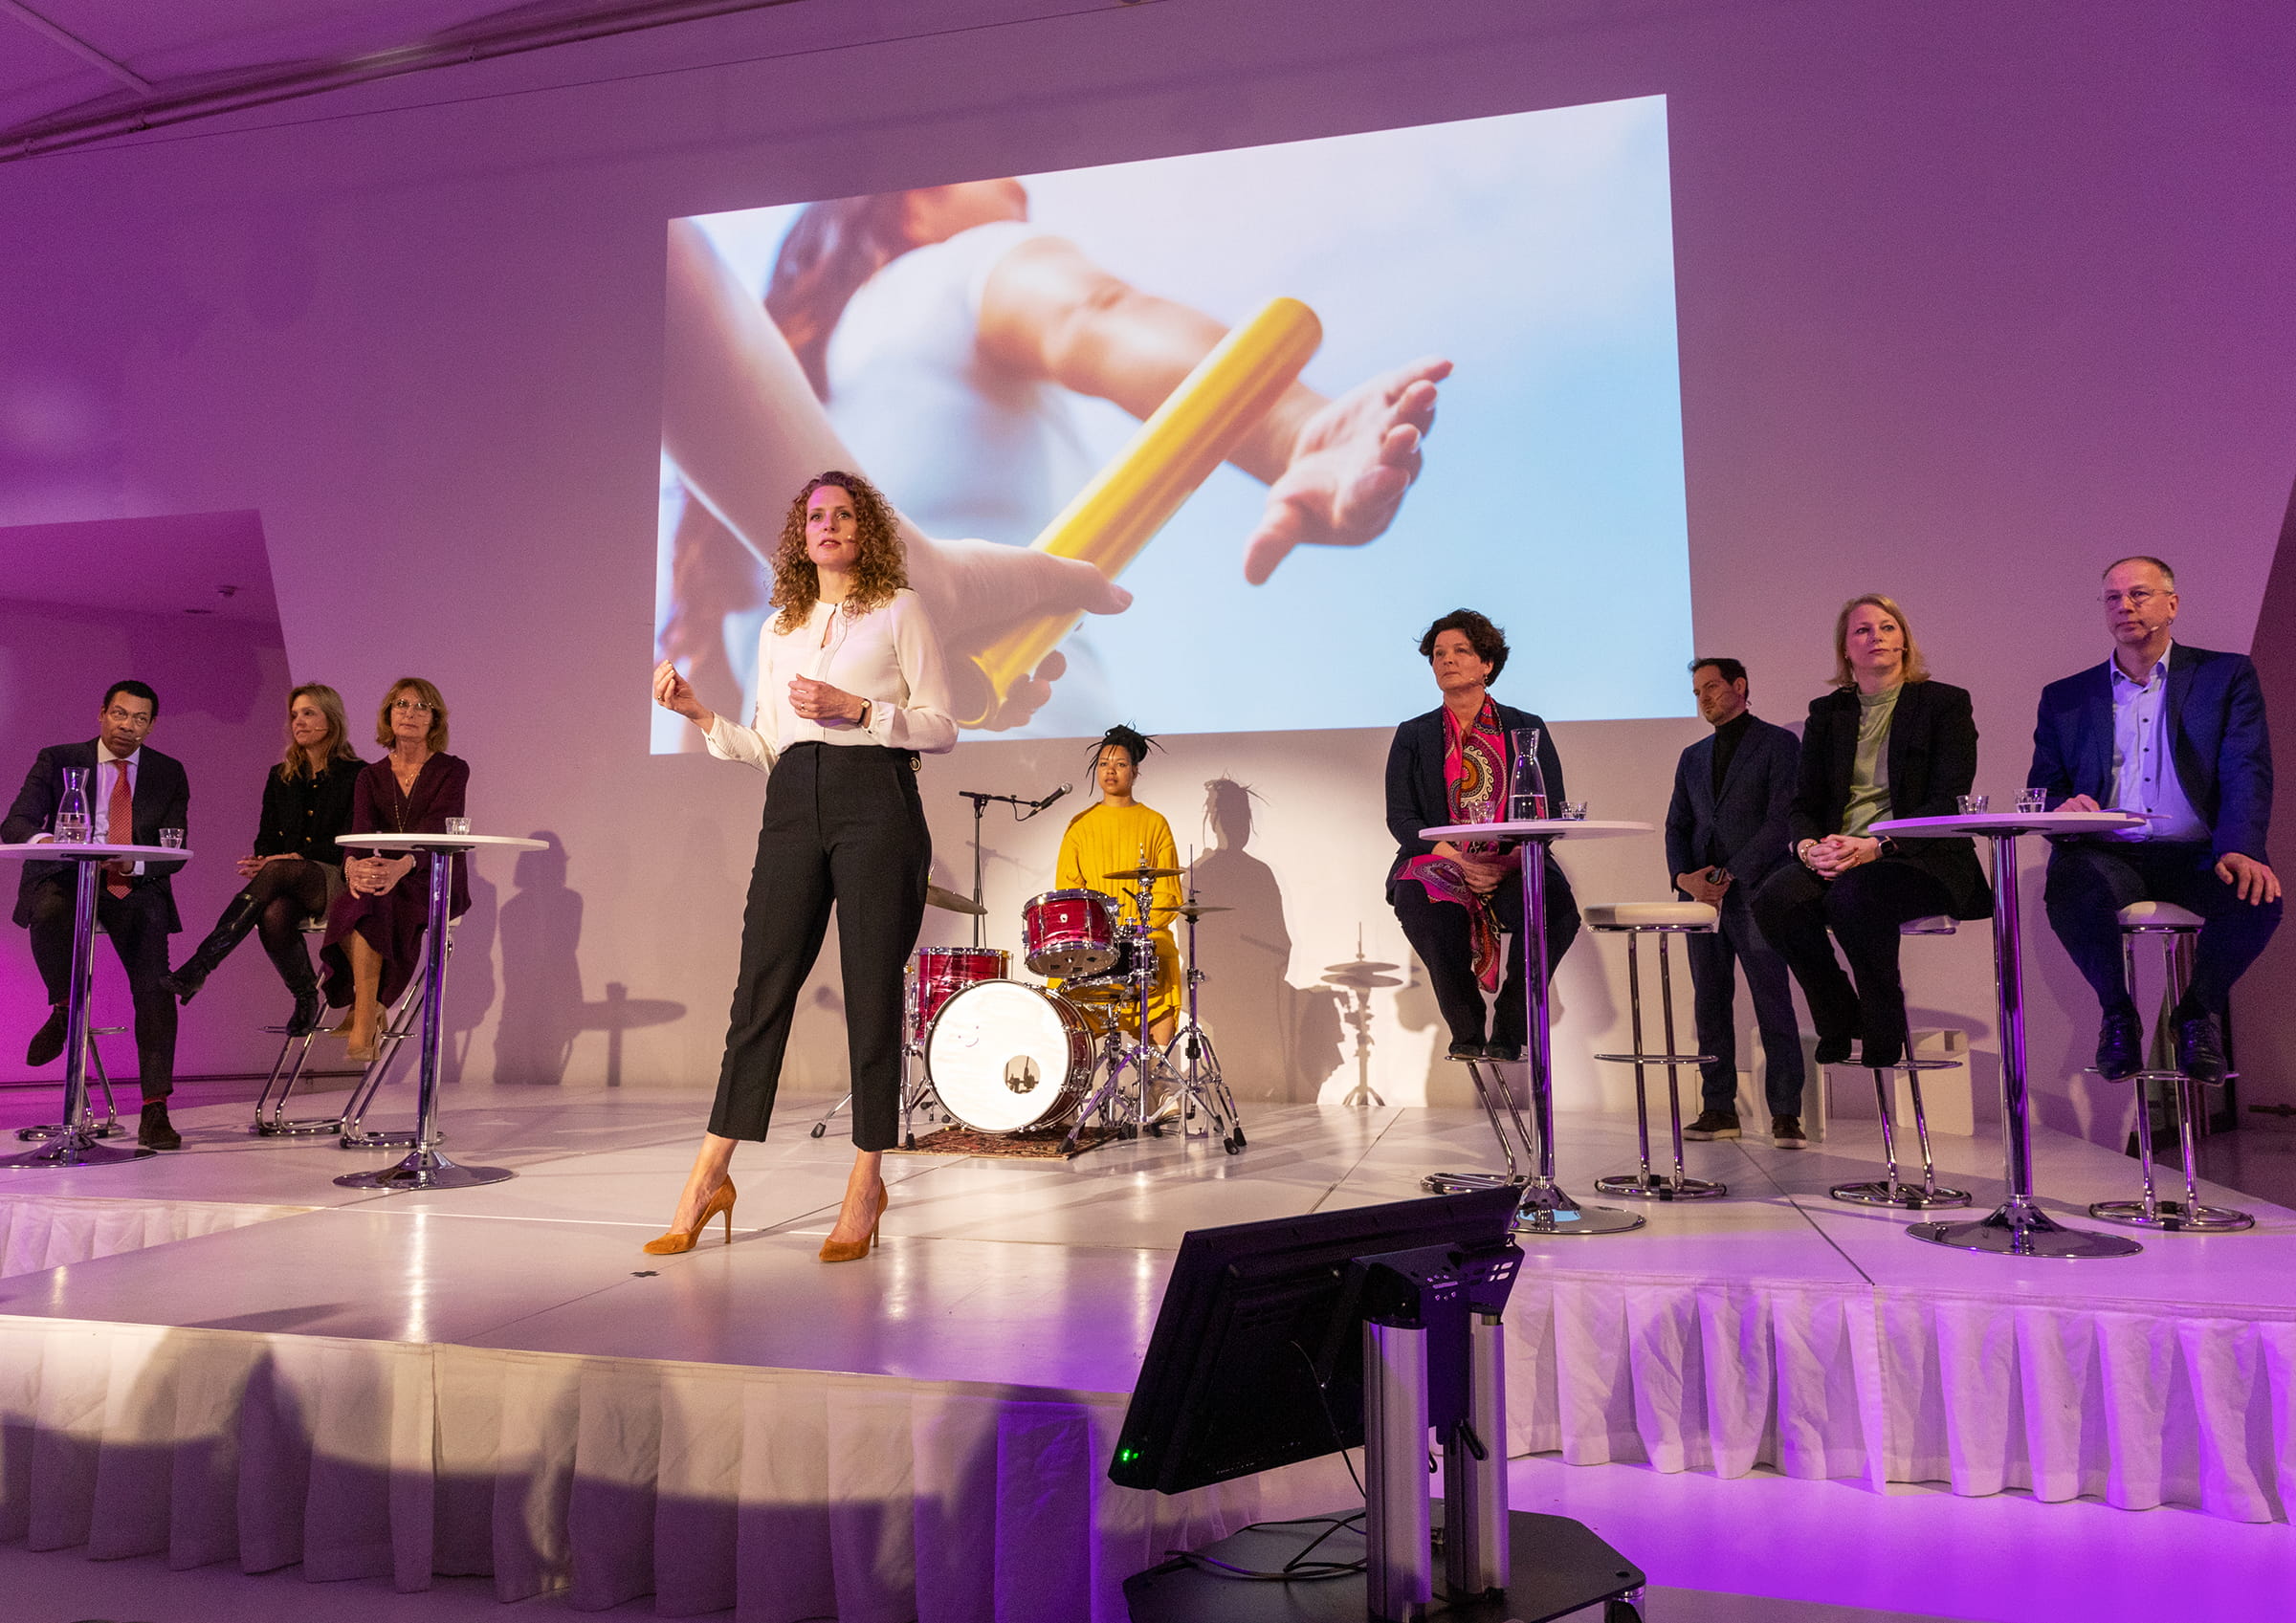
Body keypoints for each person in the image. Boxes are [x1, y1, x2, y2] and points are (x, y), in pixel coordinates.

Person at [661, 195, 1448, 734]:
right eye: (983, 168)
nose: (1021, 186)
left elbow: (712, 739)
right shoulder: (955, 273)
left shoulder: (736, 462)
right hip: (1023, 791)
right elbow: (1096, 314)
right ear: (911, 206)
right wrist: (1294, 429)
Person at [650, 470, 956, 1262]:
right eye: (816, 515)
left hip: (875, 799)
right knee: (761, 988)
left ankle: (866, 1180)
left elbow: (943, 726)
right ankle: (709, 1175)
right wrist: (698, 713)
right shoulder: (778, 628)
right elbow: (766, 744)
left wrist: (860, 710)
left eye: (844, 514)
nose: (829, 524)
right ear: (801, 534)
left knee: (871, 992)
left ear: (866, 530)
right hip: (791, 800)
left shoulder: (899, 609)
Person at [2030, 557, 2280, 1084]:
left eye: (2138, 594)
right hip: (2109, 853)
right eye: (2113, 598)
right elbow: (2045, 787)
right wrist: (2063, 806)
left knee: (2258, 898)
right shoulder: (2066, 696)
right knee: (2070, 886)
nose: (2124, 606)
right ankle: (2118, 1015)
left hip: (2198, 853)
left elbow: (2246, 767)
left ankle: (2196, 1014)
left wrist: (2241, 847)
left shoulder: (2224, 675)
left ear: (2172, 604)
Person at [1753, 597, 1992, 1094]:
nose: (1876, 636)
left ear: (1904, 640)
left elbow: (1949, 797)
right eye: (1862, 630)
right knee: (1775, 898)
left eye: (1887, 627)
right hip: (1840, 852)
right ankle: (1839, 1014)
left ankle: (1883, 1018)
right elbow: (1804, 801)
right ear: (1846, 648)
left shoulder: (1944, 703)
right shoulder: (1828, 712)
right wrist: (1809, 848)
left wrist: (1877, 845)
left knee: (1854, 896)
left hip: (1919, 855)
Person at [1, 680, 189, 1150]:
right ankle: (66, 1006)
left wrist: (133, 864)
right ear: (102, 713)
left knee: (155, 987)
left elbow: (174, 845)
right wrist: (51, 842)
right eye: (120, 714)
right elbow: (16, 823)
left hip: (132, 884)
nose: (128, 726)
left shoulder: (168, 772)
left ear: (151, 725)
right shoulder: (58, 759)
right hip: (68, 876)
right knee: (49, 909)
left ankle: (155, 1108)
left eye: (140, 719)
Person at [1384, 609, 1578, 1061]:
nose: (1446, 660)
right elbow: (1402, 819)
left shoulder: (1526, 728)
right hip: (1441, 858)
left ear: (1487, 663)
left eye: (1460, 651)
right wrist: (1458, 859)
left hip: (1512, 860)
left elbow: (1549, 811)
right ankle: (1466, 1024)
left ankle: (1511, 1025)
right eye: (1438, 654)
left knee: (1555, 907)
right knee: (1419, 899)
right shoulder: (1413, 734)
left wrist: (1506, 862)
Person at [161, 684, 364, 1034]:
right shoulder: (281, 776)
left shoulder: (358, 773)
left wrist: (291, 858)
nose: (298, 722)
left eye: (309, 713)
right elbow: (267, 836)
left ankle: (200, 966)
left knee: (281, 869)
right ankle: (305, 996)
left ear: (331, 720)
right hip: (287, 877)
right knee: (272, 915)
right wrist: (265, 860)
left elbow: (349, 839)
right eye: (294, 715)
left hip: (335, 876)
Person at [1664, 658, 1806, 1147]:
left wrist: (1731, 873)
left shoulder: (1778, 744)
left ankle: (1786, 1113)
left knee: (1772, 1000)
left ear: (1739, 686)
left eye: (1711, 687)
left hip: (1757, 891)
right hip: (1701, 898)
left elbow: (1781, 820)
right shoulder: (1692, 755)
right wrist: (1685, 878)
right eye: (1697, 691)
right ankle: (1718, 1109)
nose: (1703, 698)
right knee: (1709, 1002)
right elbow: (1678, 825)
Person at [320, 679, 470, 1062]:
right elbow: (359, 831)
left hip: (434, 873)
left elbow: (440, 827)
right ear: (388, 715)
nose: (410, 713)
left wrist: (403, 865)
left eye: (422, 706)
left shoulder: (452, 770)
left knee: (378, 903)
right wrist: (353, 867)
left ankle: (363, 1015)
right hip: (385, 875)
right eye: (401, 704)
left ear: (435, 719)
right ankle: (369, 1010)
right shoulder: (370, 776)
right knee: (354, 902)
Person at [1052, 725, 1184, 1067]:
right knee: (1061, 979)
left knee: (1162, 955)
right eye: (1104, 764)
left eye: (1121, 764)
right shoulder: (1080, 825)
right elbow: (1068, 890)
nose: (1110, 771)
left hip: (1143, 933)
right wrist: (1102, 932)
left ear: (1135, 771)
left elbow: (1169, 892)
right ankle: (1074, 1083)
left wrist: (1135, 928)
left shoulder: (1155, 823)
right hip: (1096, 939)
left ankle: (1158, 1079)